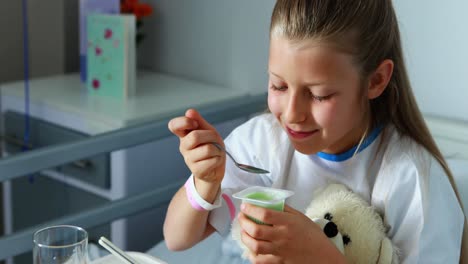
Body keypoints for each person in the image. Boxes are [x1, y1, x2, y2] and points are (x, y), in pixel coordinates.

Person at [164, 0, 466, 263]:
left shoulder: (411, 179)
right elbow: (176, 239)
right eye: (278, 85)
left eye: (320, 95)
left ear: (375, 81)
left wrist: (322, 257)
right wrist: (205, 182)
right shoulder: (262, 143)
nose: (292, 114)